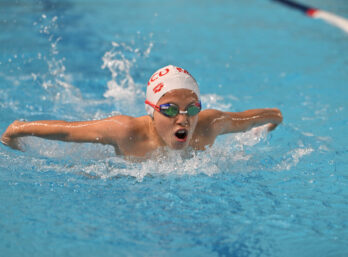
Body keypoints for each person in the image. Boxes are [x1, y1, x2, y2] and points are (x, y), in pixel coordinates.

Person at [1, 65, 283, 159]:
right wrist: (18, 129)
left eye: (192, 108)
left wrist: (272, 122)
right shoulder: (125, 132)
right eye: (170, 109)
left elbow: (251, 118)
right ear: (151, 111)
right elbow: (67, 129)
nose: (183, 117)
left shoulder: (210, 125)